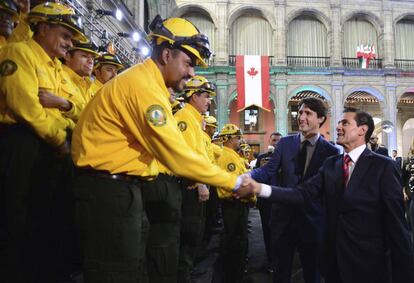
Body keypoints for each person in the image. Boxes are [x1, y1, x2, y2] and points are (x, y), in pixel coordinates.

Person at [71, 15, 241, 283]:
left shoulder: (150, 86)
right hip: (109, 194)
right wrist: (234, 182)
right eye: (188, 63)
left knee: (135, 271)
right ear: (166, 55)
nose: (192, 73)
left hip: (123, 190)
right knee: (116, 274)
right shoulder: (144, 88)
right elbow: (176, 155)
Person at [236, 108, 414, 283]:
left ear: (362, 130)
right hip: (332, 263)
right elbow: (303, 194)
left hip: (367, 264)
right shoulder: (332, 164)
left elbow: (397, 226)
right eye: (338, 123)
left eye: (345, 123)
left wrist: (404, 274)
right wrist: (259, 188)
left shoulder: (383, 167)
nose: (338, 127)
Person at [0, 2, 87, 282]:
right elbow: (27, 108)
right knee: (17, 219)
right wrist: (60, 137)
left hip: (49, 147)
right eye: (64, 35)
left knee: (44, 219)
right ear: (44, 28)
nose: (69, 43)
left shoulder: (55, 68)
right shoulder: (20, 53)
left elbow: (74, 109)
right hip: (23, 142)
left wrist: (63, 128)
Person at [247, 97, 339, 283]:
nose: (301, 117)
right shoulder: (285, 143)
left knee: (313, 275)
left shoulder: (331, 152)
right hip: (283, 220)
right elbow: (268, 170)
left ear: (321, 119)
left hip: (313, 222)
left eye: (308, 113)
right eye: (300, 112)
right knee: (281, 274)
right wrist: (246, 177)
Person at [173, 75, 215, 282]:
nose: (209, 101)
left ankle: (186, 272)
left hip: (194, 183)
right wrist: (200, 182)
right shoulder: (184, 118)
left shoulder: (195, 120)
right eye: (206, 96)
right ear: (192, 96)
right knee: (188, 235)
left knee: (194, 235)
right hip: (188, 186)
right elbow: (188, 155)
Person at [216, 123, 255, 283]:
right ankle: (234, 276)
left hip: (237, 204)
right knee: (235, 242)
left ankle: (235, 273)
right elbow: (234, 184)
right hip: (234, 204)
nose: (240, 141)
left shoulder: (233, 155)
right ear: (229, 139)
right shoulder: (228, 157)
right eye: (238, 138)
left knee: (238, 241)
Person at [63, 40, 101, 105]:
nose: (91, 61)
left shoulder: (88, 86)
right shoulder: (57, 75)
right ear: (68, 57)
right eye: (84, 56)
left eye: (92, 58)